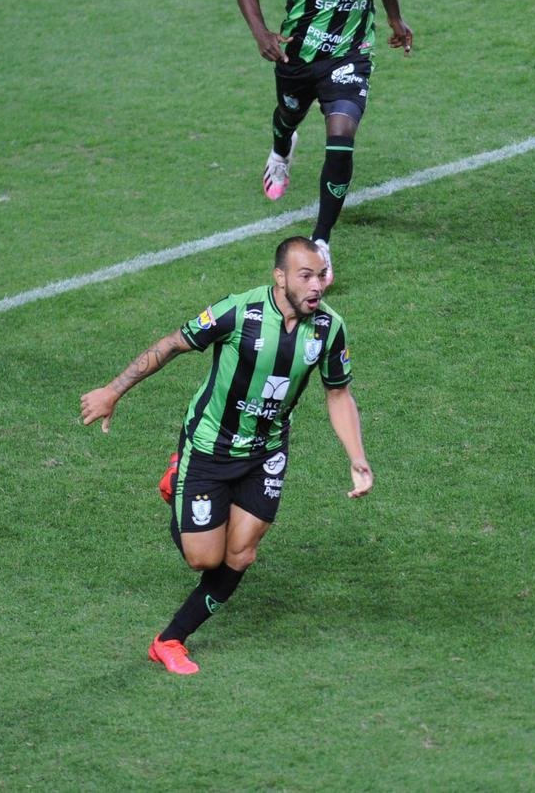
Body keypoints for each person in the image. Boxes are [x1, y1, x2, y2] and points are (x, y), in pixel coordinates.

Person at [80, 237, 373, 675]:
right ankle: (178, 482)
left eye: (321, 275)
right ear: (280, 278)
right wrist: (112, 391)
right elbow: (173, 344)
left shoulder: (329, 328)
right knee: (204, 559)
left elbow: (338, 394)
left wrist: (357, 458)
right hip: (208, 447)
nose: (317, 286)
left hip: (266, 452)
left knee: (241, 554)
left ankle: (169, 640)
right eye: (306, 276)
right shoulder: (239, 312)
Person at [237, 0, 414, 284]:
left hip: (350, 55)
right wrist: (260, 33)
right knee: (289, 113)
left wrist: (394, 18)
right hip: (298, 53)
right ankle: (281, 152)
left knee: (342, 136)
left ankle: (320, 241)